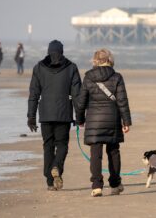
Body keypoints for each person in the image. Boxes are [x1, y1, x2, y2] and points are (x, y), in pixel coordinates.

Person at [27, 40, 82, 191]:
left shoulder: (39, 67)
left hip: (45, 114)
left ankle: (50, 182)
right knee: (62, 144)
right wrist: (80, 116)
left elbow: (34, 94)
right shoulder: (71, 67)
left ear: (48, 51)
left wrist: (31, 116)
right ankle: (56, 166)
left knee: (48, 146)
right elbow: (77, 95)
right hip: (63, 114)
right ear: (62, 52)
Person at [76, 48, 132, 197]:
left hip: (94, 121)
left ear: (95, 60)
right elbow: (122, 101)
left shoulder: (88, 77)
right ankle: (114, 184)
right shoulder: (117, 77)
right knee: (113, 152)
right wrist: (126, 121)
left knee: (96, 154)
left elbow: (81, 102)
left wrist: (79, 120)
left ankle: (96, 186)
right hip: (112, 120)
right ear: (109, 60)